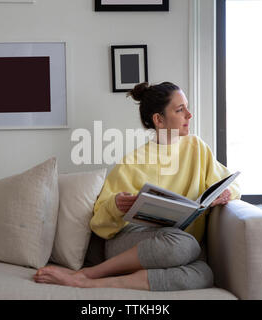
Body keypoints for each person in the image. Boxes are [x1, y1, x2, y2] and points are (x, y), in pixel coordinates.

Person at [33, 81, 241, 290]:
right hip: (129, 242)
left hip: (176, 247)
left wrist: (226, 192)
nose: (189, 114)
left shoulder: (198, 149)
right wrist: (116, 205)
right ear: (159, 120)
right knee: (186, 244)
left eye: (186, 107)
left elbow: (231, 183)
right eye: (180, 110)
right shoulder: (132, 162)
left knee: (203, 273)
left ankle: (99, 283)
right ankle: (86, 274)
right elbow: (99, 223)